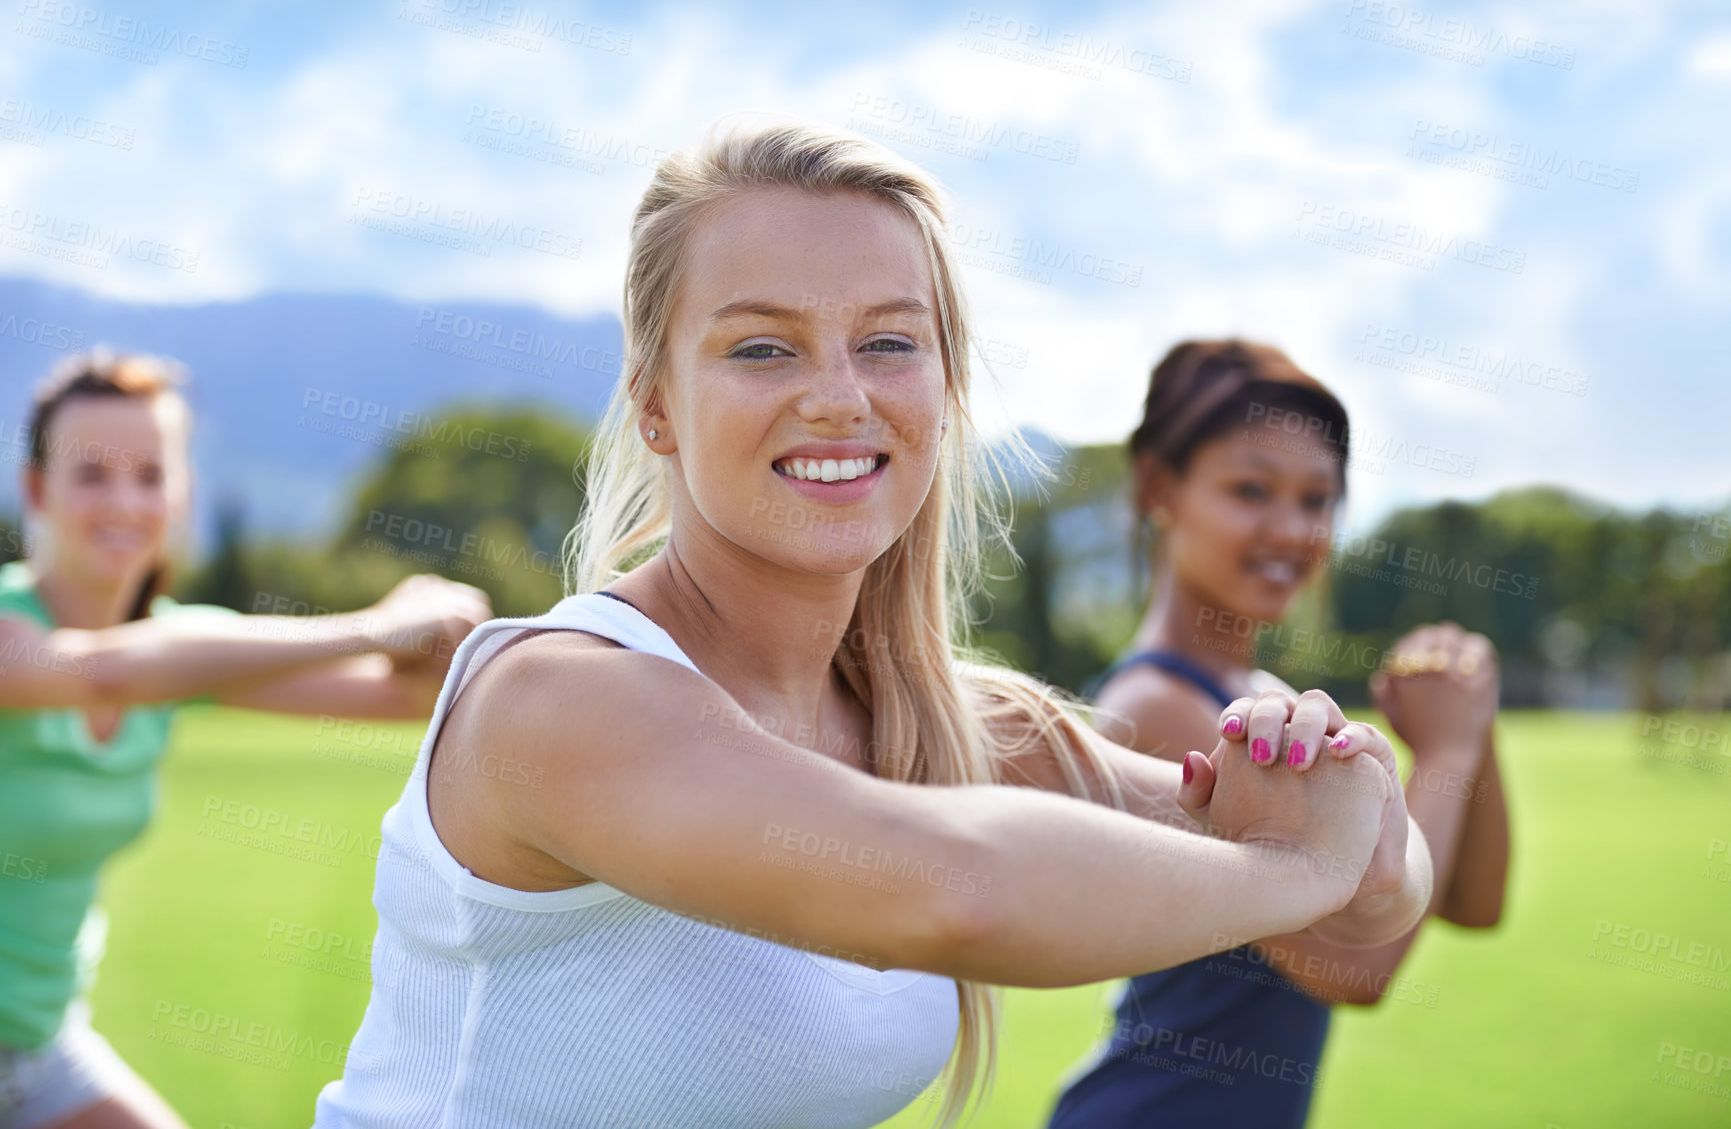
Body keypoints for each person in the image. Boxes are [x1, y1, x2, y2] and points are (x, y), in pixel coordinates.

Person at [312, 118, 1434, 1129]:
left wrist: (1348, 817)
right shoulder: (561, 700)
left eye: (891, 342)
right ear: (655, 400)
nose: (841, 396)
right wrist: (1305, 869)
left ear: (944, 388)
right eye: (763, 346)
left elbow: (1387, 885)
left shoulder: (952, 730)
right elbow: (961, 893)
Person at [0, 351, 492, 1129]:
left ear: (182, 492)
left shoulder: (181, 651)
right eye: (91, 473)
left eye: (150, 474)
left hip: (42, 1049)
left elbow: (411, 699)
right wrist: (373, 624)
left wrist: (439, 629)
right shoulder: (15, 633)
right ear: (37, 491)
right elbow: (95, 674)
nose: (124, 500)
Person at [1047, 339, 1510, 1129]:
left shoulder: (1266, 699)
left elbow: (1469, 900)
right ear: (1160, 487)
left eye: (1316, 499)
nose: (1291, 529)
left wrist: (1472, 722)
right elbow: (1353, 967)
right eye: (1250, 488)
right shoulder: (1155, 707)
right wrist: (1445, 751)